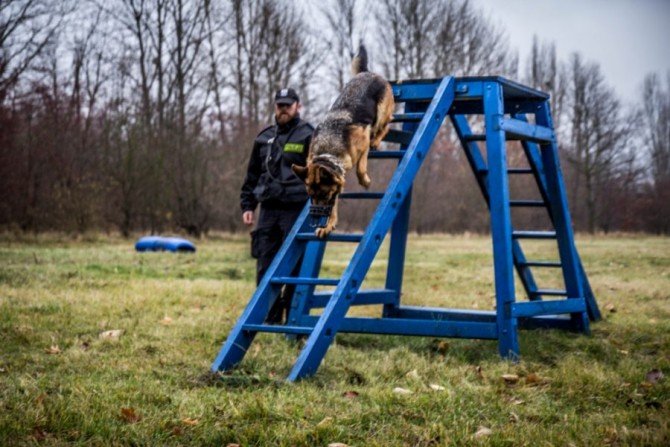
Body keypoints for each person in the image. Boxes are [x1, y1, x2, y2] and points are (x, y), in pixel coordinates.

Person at [240, 88, 314, 324]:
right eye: (280, 105)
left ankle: (292, 317)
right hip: (269, 209)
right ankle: (268, 317)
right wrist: (247, 205)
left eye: (288, 105)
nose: (283, 109)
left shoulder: (308, 135)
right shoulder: (264, 138)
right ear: (275, 107)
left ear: (297, 107)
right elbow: (252, 175)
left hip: (297, 209)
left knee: (295, 265)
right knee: (265, 262)